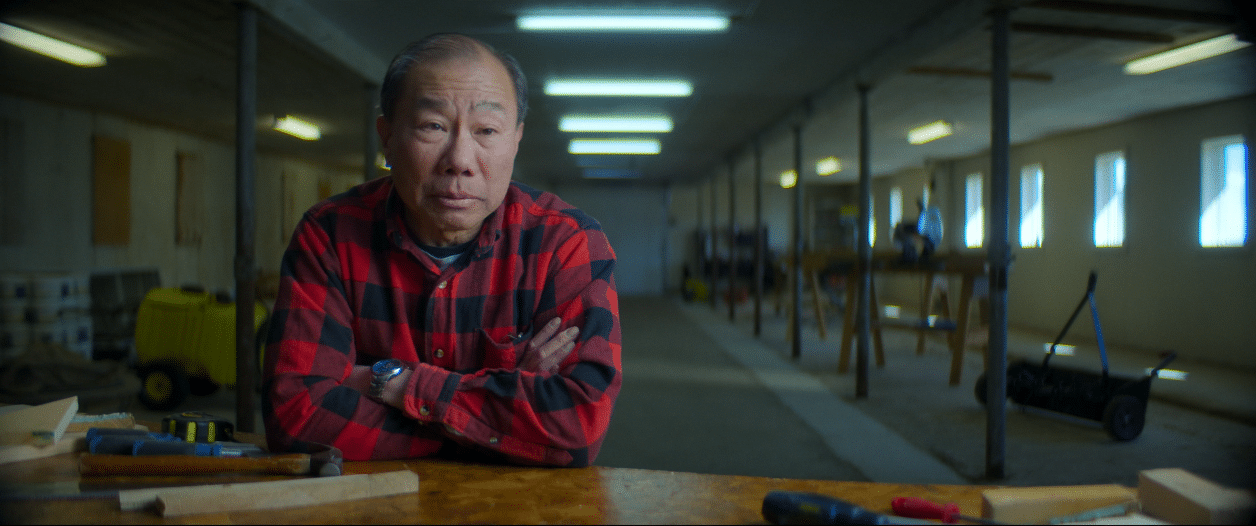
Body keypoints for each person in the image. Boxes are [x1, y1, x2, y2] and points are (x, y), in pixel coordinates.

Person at [262, 33, 621, 468]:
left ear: (516, 140)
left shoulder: (566, 243)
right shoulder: (330, 235)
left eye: (486, 131)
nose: (460, 160)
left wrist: (393, 385)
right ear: (387, 137)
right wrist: (500, 424)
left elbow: (578, 425)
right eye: (433, 126)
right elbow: (296, 416)